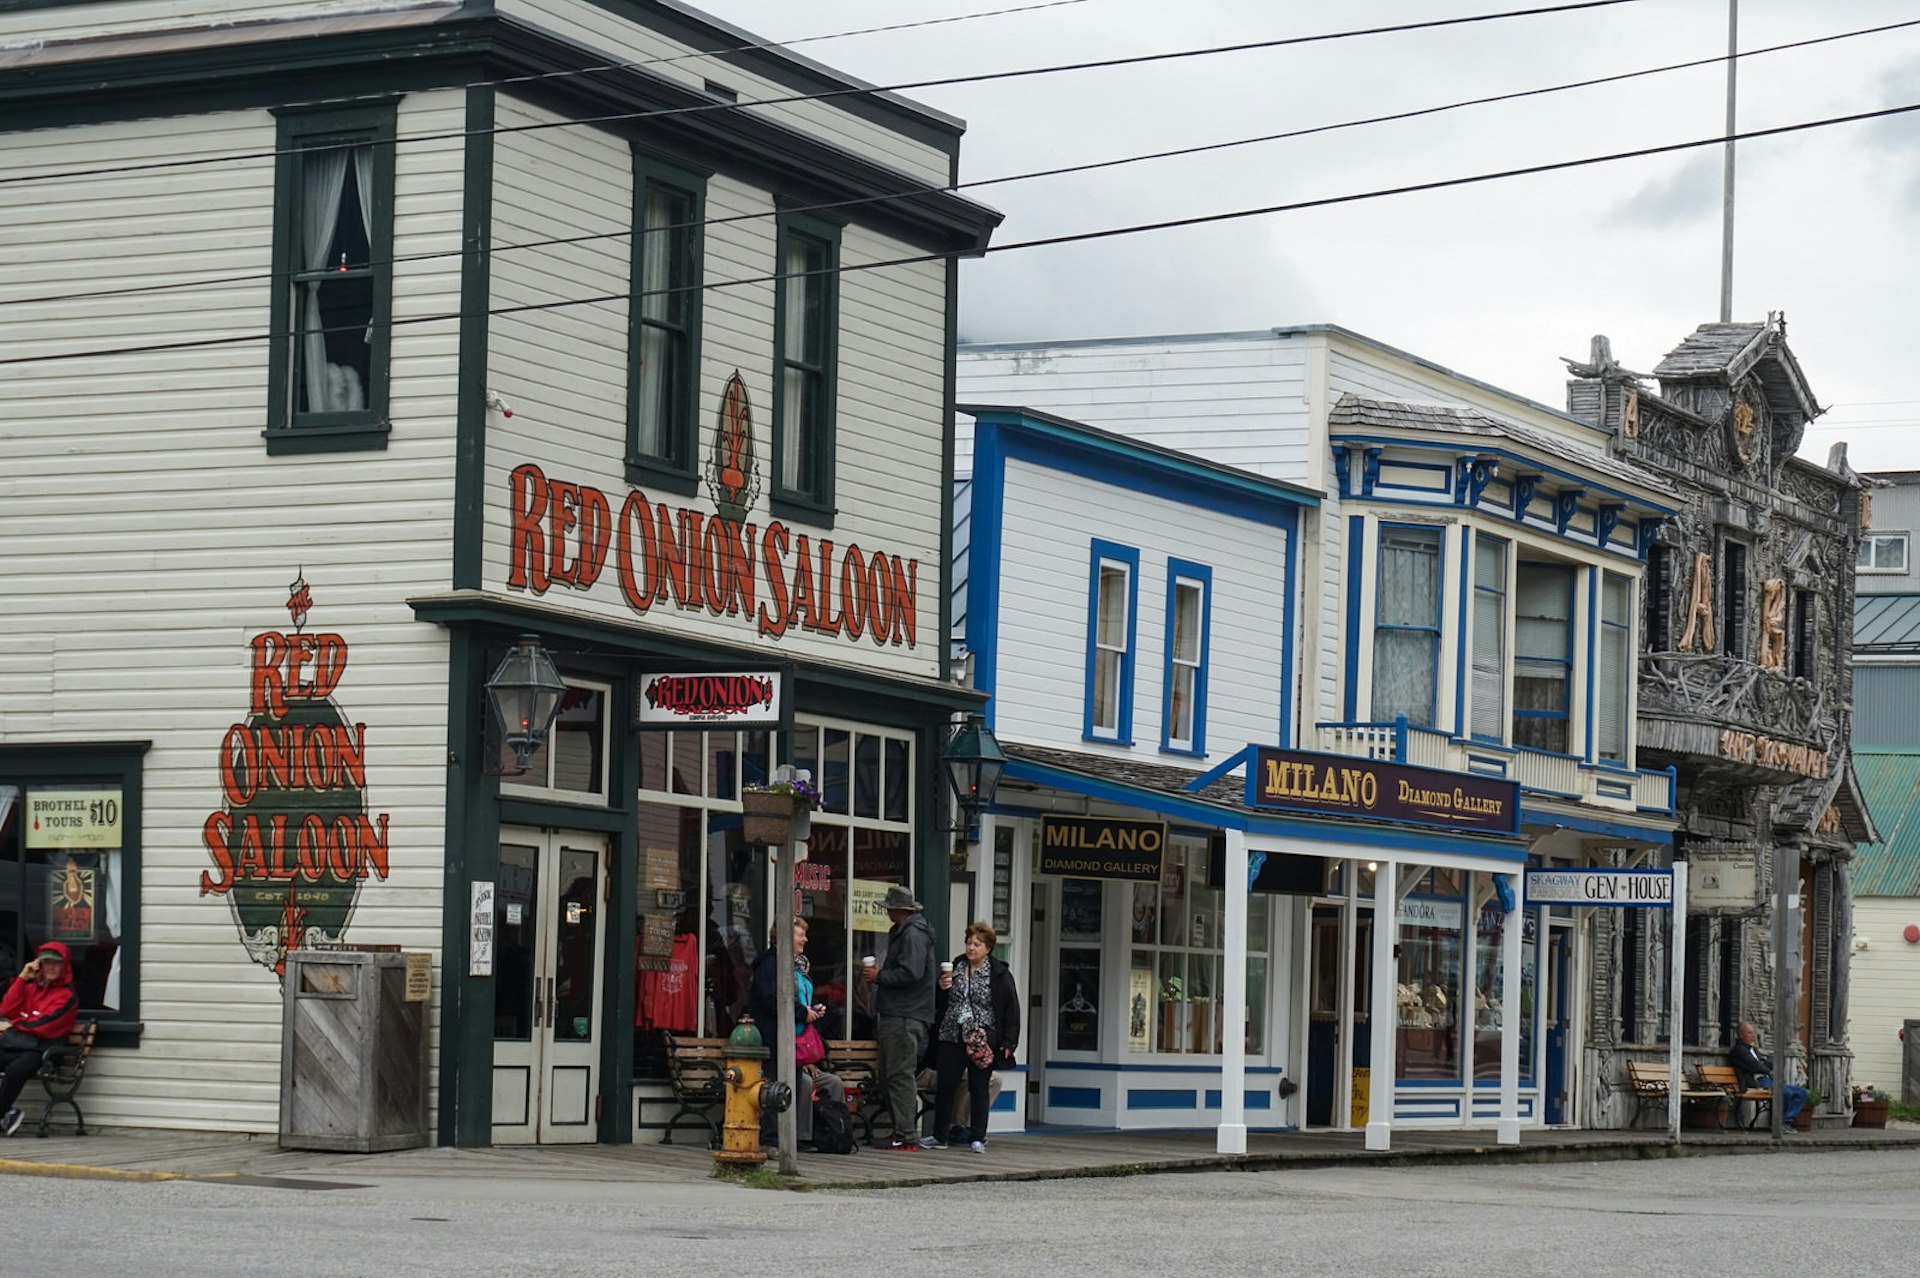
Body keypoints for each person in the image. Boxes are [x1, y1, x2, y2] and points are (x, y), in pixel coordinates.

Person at [745, 920, 845, 1152]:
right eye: (801, 934)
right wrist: (803, 1012)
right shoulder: (771, 964)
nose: (806, 939)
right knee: (774, 1087)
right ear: (785, 937)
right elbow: (772, 999)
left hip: (794, 1038)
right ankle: (771, 1140)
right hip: (774, 1037)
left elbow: (794, 998)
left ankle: (788, 1137)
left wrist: (812, 1009)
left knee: (793, 1087)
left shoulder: (796, 966)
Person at [930, 920, 1020, 1153]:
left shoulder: (999, 974)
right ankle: (940, 1136)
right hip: (952, 1033)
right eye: (969, 943)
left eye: (977, 944)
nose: (971, 948)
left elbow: (1011, 1008)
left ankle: (978, 1136)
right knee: (946, 1085)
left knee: (979, 1086)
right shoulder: (957, 966)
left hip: (981, 1036)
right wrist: (941, 987)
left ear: (988, 948)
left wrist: (1009, 1041)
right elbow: (942, 1003)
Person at [862, 884, 935, 1149]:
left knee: (899, 1074)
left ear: (897, 909)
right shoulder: (910, 931)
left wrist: (879, 976)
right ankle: (902, 1131)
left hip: (905, 1014)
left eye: (890, 908)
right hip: (903, 1012)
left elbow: (911, 973)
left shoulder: (912, 934)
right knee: (891, 1074)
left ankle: (906, 1135)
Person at [0, 941, 80, 1138]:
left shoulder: (67, 996)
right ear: (39, 965)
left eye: (56, 963)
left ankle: (3, 1111)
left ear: (64, 965)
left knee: (17, 1069)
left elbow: (43, 1027)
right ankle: (8, 1111)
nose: (51, 967)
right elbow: (6, 1010)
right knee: (15, 1063)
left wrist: (15, 1025)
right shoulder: (29, 988)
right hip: (18, 1046)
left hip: (45, 1052)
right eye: (46, 963)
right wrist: (21, 978)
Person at [1729, 1020, 1807, 1126]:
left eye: (1753, 1032)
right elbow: (1754, 1064)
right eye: (1749, 1033)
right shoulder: (1739, 1050)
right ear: (1741, 1035)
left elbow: (1762, 1062)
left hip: (1768, 1080)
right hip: (1757, 1082)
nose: (1753, 1036)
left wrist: (1772, 1065)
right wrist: (1769, 1071)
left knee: (1801, 1092)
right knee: (1785, 1093)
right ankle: (1779, 1124)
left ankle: (1786, 1121)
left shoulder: (1753, 1049)